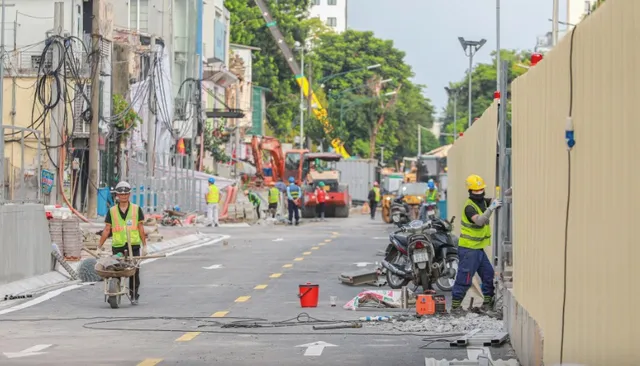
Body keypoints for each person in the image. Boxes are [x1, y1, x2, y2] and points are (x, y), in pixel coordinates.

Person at [450, 174, 502, 316]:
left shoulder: (483, 202)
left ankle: (487, 305)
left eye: (481, 190)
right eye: (476, 190)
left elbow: (496, 200)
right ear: (470, 191)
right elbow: (479, 221)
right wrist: (491, 208)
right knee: (465, 278)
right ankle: (455, 308)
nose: (479, 193)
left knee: (488, 275)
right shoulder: (469, 207)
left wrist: (507, 192)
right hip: (468, 249)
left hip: (478, 248)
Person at [97, 181, 148, 305]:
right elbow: (107, 230)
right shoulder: (112, 211)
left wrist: (145, 245)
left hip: (134, 245)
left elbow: (141, 228)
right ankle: (114, 291)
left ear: (129, 195)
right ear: (117, 195)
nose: (123, 196)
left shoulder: (136, 209)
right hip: (118, 246)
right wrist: (99, 246)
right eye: (121, 194)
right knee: (116, 269)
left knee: (134, 270)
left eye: (126, 194)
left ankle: (134, 294)